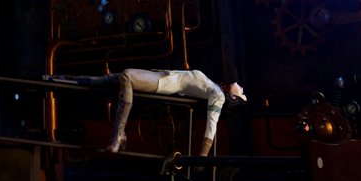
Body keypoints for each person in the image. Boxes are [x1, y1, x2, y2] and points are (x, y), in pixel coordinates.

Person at [49, 68, 243, 155]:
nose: (238, 86)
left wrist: (203, 155)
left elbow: (211, 125)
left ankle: (119, 135)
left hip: (163, 82)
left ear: (232, 98)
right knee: (106, 79)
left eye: (239, 92)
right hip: (161, 74)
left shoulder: (218, 95)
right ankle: (54, 79)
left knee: (126, 76)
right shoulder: (214, 86)